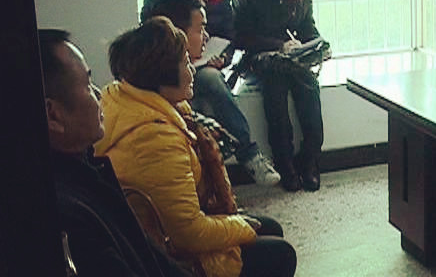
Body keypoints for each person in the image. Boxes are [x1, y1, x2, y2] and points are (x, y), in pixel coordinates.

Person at [95, 17, 296, 277]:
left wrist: (237, 223)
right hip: (175, 258)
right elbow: (189, 234)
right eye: (186, 63)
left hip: (163, 237)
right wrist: (241, 226)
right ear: (162, 74)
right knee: (280, 253)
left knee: (268, 228)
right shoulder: (153, 139)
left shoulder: (124, 99)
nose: (193, 71)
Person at [38, 29, 193, 276]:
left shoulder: (89, 172)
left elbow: (151, 258)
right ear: (53, 115)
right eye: (87, 84)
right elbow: (189, 232)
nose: (99, 93)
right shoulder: (70, 216)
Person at [148, 0, 281, 186]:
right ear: (177, 32)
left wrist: (219, 59)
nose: (206, 36)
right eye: (200, 29)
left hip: (198, 70)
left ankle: (246, 154)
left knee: (211, 79)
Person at [231, 0, 325, 192]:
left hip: (294, 58)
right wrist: (278, 46)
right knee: (275, 92)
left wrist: (317, 46)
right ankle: (285, 163)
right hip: (261, 59)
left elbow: (307, 26)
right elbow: (240, 38)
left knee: (310, 90)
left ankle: (309, 160)